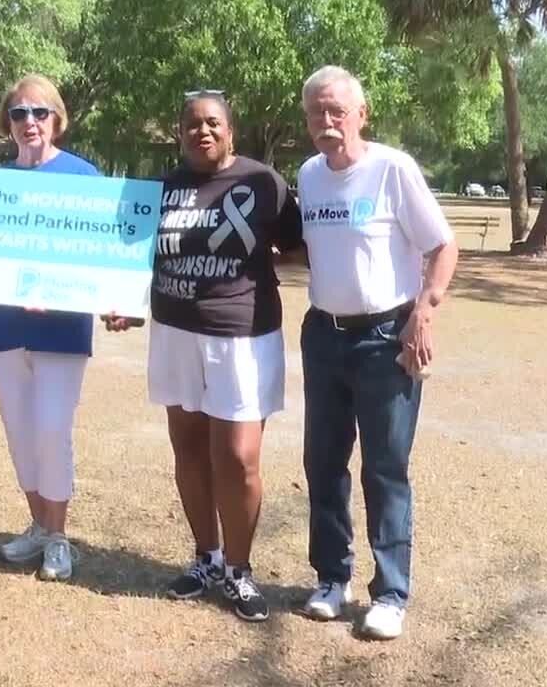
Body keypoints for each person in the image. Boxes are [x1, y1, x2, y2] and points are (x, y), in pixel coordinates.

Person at [106, 91, 303, 622]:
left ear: (231, 131)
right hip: (174, 332)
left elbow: (301, 245)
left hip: (242, 335)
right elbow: (133, 256)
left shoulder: (264, 183)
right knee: (189, 448)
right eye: (191, 124)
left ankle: (239, 570)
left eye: (213, 123)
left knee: (237, 458)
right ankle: (207, 559)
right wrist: (124, 304)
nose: (202, 131)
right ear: (179, 134)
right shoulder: (161, 190)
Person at [294, 65, 458, 639]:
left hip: (386, 338)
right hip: (323, 335)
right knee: (323, 462)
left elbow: (442, 245)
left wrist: (425, 311)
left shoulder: (392, 169)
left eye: (337, 110)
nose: (327, 120)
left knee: (385, 468)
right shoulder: (309, 175)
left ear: (362, 114)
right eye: (317, 110)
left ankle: (390, 593)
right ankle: (331, 579)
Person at [0, 74, 98, 582]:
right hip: (7, 325)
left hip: (62, 330)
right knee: (19, 434)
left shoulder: (85, 178)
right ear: (7, 123)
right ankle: (38, 524)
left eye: (39, 113)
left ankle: (59, 538)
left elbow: (100, 259)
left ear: (57, 119)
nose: (29, 122)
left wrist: (66, 295)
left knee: (52, 429)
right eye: (19, 114)